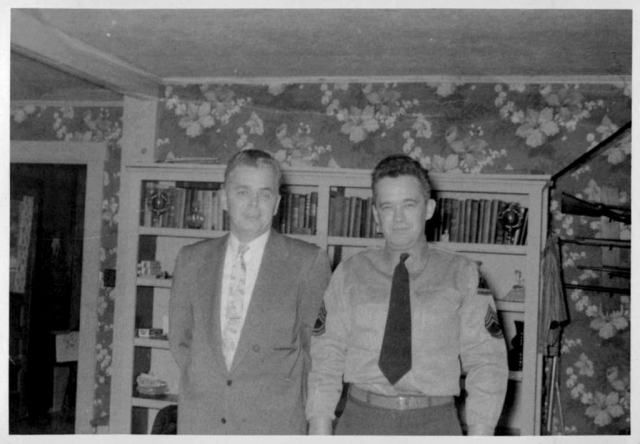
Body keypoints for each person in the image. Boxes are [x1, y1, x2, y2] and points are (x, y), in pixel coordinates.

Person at [306, 154, 508, 436]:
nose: (398, 218)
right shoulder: (349, 273)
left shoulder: (463, 273)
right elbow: (326, 356)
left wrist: (481, 434)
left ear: (429, 209)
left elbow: (487, 362)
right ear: (376, 215)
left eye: (409, 205)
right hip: (361, 421)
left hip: (435, 423)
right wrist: (319, 427)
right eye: (387, 207)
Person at [169, 149, 332, 434]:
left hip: (273, 426)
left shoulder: (308, 262)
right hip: (202, 424)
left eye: (264, 194)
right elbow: (180, 342)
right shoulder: (191, 260)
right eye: (243, 192)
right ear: (224, 198)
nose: (253, 205)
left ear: (277, 203)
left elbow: (318, 354)